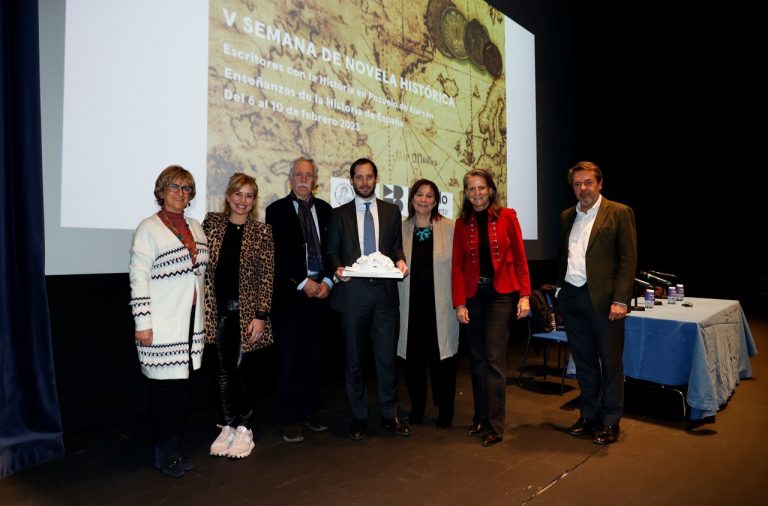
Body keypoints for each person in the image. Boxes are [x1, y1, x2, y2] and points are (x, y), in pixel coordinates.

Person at [129, 165, 209, 477]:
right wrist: (142, 322)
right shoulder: (148, 228)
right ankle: (163, 451)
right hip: (161, 324)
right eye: (175, 187)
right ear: (162, 191)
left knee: (183, 390)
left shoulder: (195, 227)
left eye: (187, 189)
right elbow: (138, 277)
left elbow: (199, 277)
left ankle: (175, 445)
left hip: (190, 322)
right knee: (163, 391)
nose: (181, 193)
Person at [326, 157, 410, 441]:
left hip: (385, 297)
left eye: (369, 177)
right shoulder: (338, 215)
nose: (364, 182)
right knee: (354, 361)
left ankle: (390, 415)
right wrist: (336, 269)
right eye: (358, 177)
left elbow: (396, 247)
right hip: (353, 296)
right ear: (351, 181)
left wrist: (401, 261)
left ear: (376, 179)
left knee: (387, 360)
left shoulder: (391, 211)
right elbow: (332, 252)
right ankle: (359, 417)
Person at [556, 161, 637, 445]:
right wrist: (560, 292)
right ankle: (589, 416)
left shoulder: (619, 212)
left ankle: (611, 422)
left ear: (599, 183)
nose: (583, 189)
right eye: (577, 184)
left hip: (605, 301)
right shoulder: (567, 215)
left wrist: (620, 300)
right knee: (585, 363)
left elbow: (628, 260)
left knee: (610, 364)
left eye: (588, 182)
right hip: (573, 298)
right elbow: (564, 257)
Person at [452, 168, 531, 447]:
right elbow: (458, 267)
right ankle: (480, 417)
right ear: (466, 193)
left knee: (495, 359)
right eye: (471, 189)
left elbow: (520, 258)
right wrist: (459, 302)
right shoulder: (462, 223)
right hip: (474, 296)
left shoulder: (508, 216)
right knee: (477, 361)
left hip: (501, 294)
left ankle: (495, 426)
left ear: (490, 190)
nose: (477, 193)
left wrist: (524, 295)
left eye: (481, 188)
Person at [203, 173, 274, 459]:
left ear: (254, 200)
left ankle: (245, 428)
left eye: (249, 196)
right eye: (238, 194)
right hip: (217, 314)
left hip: (247, 316)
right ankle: (228, 425)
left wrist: (260, 316)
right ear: (229, 196)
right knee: (222, 373)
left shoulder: (262, 231)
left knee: (243, 373)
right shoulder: (212, 223)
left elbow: (266, 277)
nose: (243, 201)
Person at [265, 157, 333, 444]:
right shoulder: (276, 211)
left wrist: (328, 282)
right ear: (290, 178)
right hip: (290, 298)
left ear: (315, 179)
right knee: (289, 361)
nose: (304, 179)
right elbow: (276, 256)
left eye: (309, 175)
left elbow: (335, 250)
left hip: (322, 295)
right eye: (298, 174)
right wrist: (303, 283)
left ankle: (311, 412)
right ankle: (290, 418)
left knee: (315, 359)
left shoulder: (327, 211)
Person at [397, 179, 459, 429]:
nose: (424, 199)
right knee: (413, 362)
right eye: (419, 195)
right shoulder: (399, 229)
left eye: (429, 195)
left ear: (437, 200)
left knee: (443, 361)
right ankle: (417, 407)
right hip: (410, 307)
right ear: (411, 199)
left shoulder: (451, 228)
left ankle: (446, 410)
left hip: (441, 308)